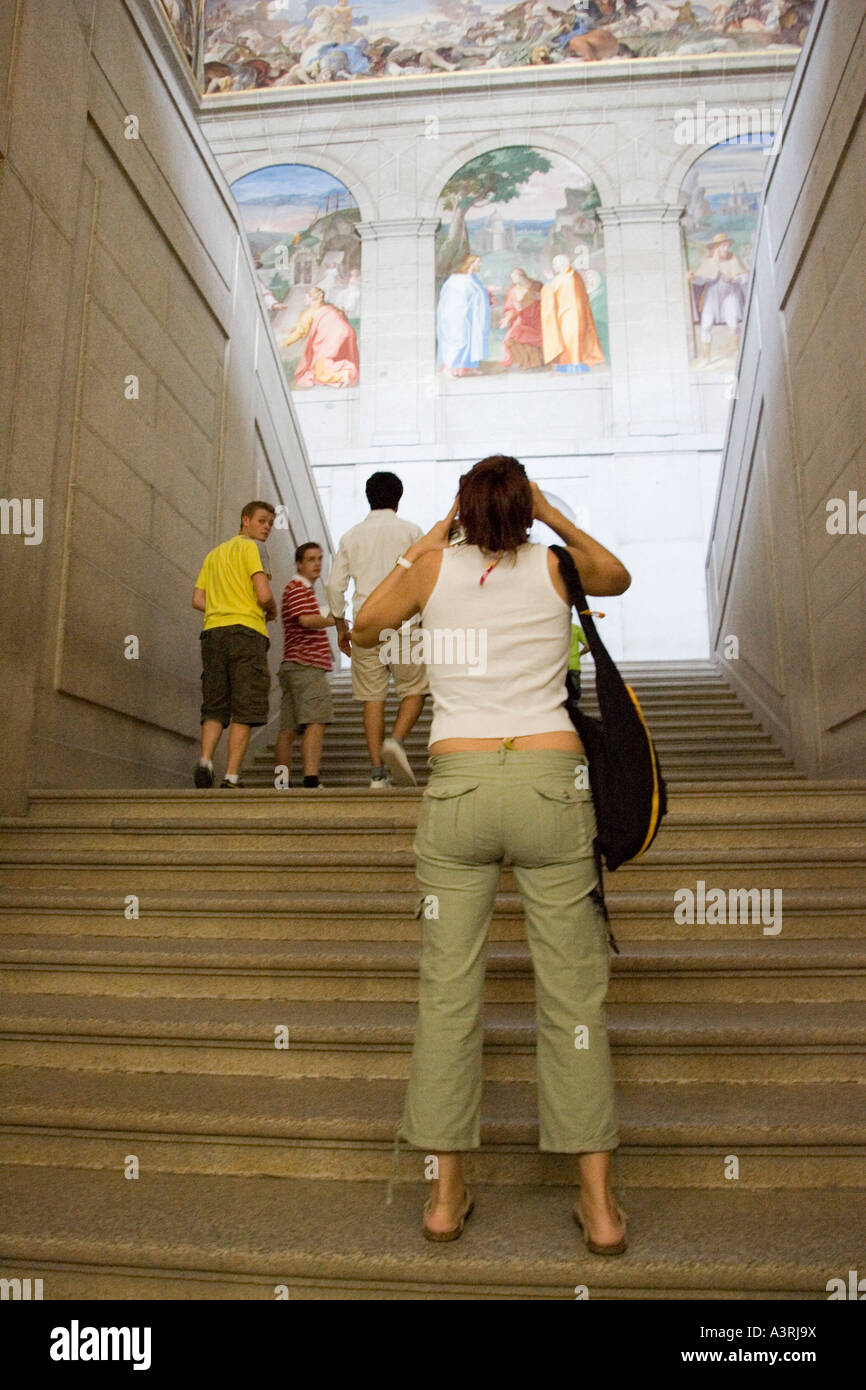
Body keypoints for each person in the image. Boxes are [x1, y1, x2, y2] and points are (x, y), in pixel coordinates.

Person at [352, 455, 631, 1250]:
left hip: (460, 789)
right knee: (575, 1003)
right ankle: (601, 1209)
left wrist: (433, 532)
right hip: (550, 787)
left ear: (464, 507)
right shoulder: (554, 564)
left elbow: (366, 624)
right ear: (525, 506)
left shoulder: (433, 567)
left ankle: (443, 1198)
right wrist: (553, 515)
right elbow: (617, 577)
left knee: (447, 997)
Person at [325, 471, 428, 787]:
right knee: (415, 690)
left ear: (369, 497)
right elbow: (424, 576)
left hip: (366, 626)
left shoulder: (351, 536)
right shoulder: (412, 532)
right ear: (399, 497)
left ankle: (376, 775)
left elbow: (333, 586)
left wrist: (342, 626)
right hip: (405, 624)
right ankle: (395, 740)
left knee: (373, 698)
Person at [192, 501, 276, 788]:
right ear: (245, 520)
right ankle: (230, 776)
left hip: (213, 634)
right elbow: (263, 595)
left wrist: (222, 608)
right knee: (244, 705)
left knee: (215, 704)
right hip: (247, 633)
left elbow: (197, 600)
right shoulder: (253, 548)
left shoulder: (213, 555)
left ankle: (205, 761)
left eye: (270, 524)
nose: (266, 527)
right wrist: (272, 610)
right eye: (262, 521)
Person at [274, 542, 336, 790]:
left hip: (292, 665)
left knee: (288, 729)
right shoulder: (298, 588)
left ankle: (281, 783)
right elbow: (306, 619)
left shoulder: (300, 589)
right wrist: (335, 620)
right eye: (311, 559)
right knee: (315, 721)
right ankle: (311, 780)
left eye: (320, 558)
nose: (317, 563)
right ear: (299, 563)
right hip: (306, 664)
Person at [688, 232, 749, 366]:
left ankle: (738, 352)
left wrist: (734, 278)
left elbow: (746, 277)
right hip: (712, 296)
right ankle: (706, 357)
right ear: (715, 248)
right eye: (722, 246)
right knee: (706, 325)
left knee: (733, 323)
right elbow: (700, 280)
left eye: (727, 246)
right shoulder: (708, 262)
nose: (726, 249)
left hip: (730, 294)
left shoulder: (734, 259)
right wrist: (693, 277)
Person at [283, 286, 359, 388]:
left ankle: (345, 373)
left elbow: (300, 332)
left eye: (306, 297)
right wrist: (293, 330)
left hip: (331, 338)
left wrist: (285, 343)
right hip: (346, 333)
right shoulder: (329, 308)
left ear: (312, 298)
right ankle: (344, 373)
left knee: (320, 373)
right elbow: (339, 318)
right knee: (331, 361)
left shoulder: (309, 312)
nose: (304, 300)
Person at [541, 252, 605, 372]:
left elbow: (552, 291)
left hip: (568, 316)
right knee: (570, 339)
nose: (554, 267)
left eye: (555, 264)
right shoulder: (574, 276)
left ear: (561, 264)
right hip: (571, 315)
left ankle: (573, 364)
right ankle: (572, 363)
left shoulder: (566, 278)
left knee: (569, 339)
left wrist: (549, 280)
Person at [436, 254, 491, 376]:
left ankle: (469, 366)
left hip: (471, 317)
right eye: (478, 262)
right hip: (459, 317)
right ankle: (449, 368)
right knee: (460, 341)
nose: (480, 264)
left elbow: (476, 295)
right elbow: (452, 301)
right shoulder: (457, 280)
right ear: (471, 263)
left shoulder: (473, 278)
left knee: (472, 341)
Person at [500, 268, 544, 369]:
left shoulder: (537, 286)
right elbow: (511, 308)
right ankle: (521, 361)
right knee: (510, 339)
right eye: (511, 278)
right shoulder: (512, 291)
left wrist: (542, 298)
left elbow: (546, 300)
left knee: (533, 340)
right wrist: (507, 319)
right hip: (520, 320)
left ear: (522, 276)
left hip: (537, 319)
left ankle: (534, 362)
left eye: (514, 277)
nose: (513, 280)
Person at [567, 620, 589, 703]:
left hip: (560, 664)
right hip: (574, 664)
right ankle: (574, 707)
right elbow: (588, 647)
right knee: (575, 690)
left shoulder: (557, 628)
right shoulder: (576, 628)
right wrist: (579, 654)